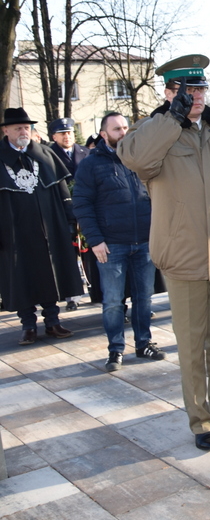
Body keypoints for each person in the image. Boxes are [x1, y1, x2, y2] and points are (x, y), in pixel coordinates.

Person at [119, 54, 210, 452]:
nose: (196, 96)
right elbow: (133, 158)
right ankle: (201, 421)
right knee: (192, 346)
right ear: (169, 92)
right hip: (182, 257)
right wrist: (171, 118)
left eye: (200, 89)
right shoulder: (155, 131)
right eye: (186, 90)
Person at [72, 113, 162, 372]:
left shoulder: (140, 159)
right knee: (113, 301)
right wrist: (96, 240)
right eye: (116, 129)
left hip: (144, 242)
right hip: (111, 246)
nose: (123, 133)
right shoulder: (91, 164)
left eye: (125, 127)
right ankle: (115, 349)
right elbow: (82, 204)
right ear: (104, 134)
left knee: (144, 298)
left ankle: (144, 343)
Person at [1, 108, 79, 345]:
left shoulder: (45, 154)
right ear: (6, 131)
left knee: (50, 275)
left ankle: (53, 321)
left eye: (26, 128)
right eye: (18, 128)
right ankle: (28, 326)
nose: (23, 132)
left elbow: (62, 190)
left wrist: (69, 221)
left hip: (48, 230)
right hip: (14, 233)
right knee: (20, 277)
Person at [48, 116, 89, 310]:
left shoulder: (86, 152)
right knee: (68, 253)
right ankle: (72, 296)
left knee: (90, 252)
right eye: (62, 133)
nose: (67, 136)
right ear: (54, 137)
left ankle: (96, 290)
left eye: (70, 132)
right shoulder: (48, 155)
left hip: (86, 208)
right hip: (62, 211)